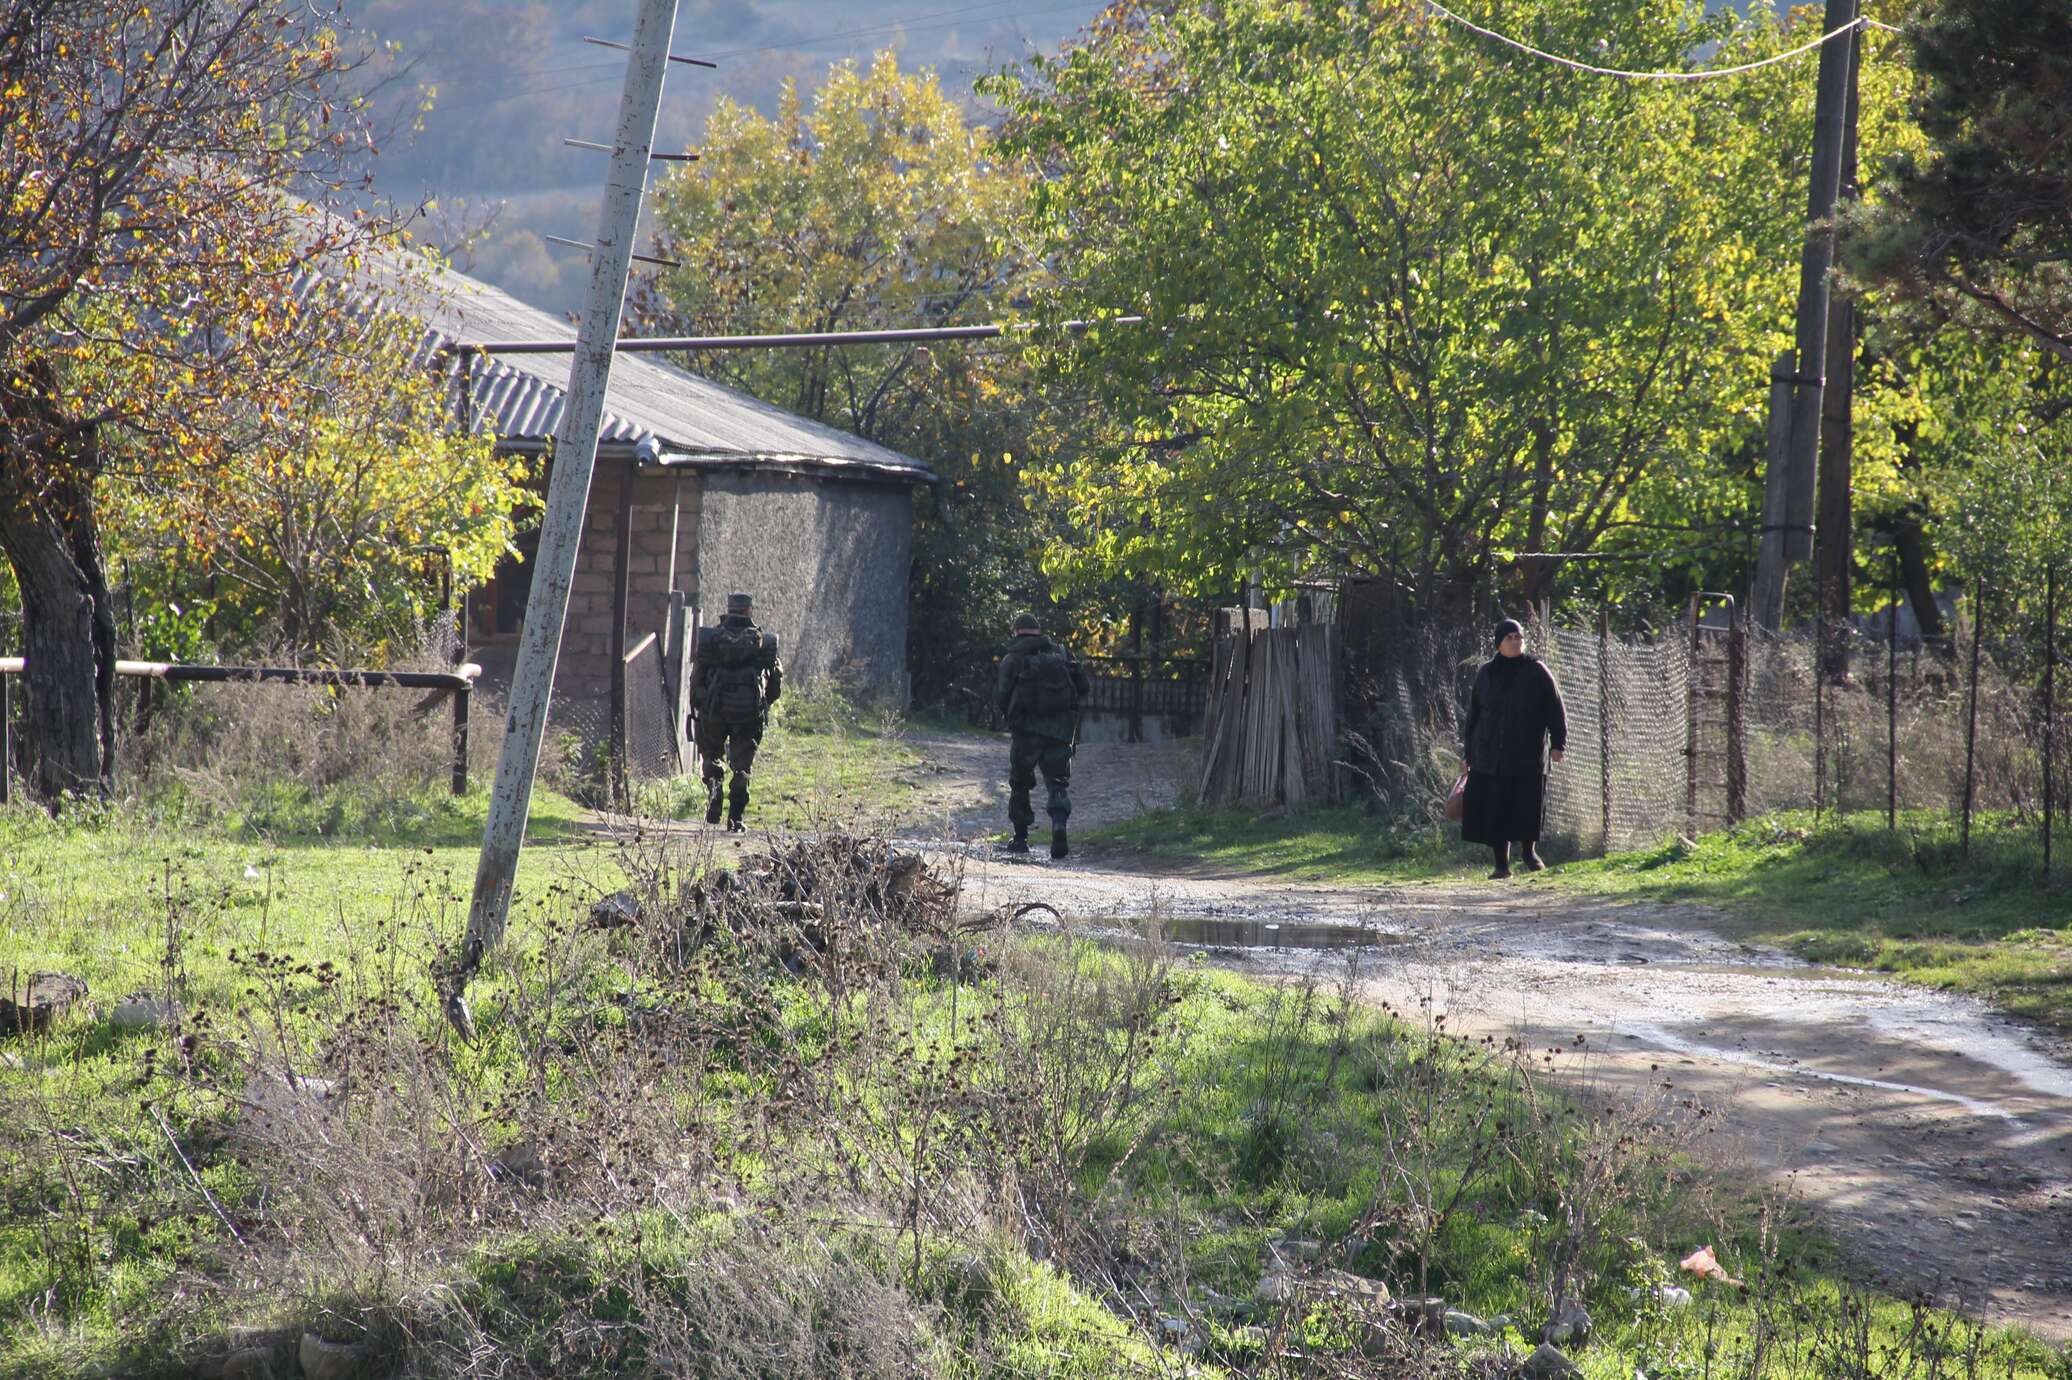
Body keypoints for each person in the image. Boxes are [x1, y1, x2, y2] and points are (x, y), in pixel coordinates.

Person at [1460, 617, 1566, 878]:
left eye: (1519, 636)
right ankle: (1501, 866)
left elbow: (1555, 707)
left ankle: (1530, 854)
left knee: (1528, 807)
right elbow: (1474, 715)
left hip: (1528, 756)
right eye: (1510, 637)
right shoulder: (1486, 673)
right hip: (1490, 756)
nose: (1516, 640)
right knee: (1496, 810)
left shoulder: (1537, 670)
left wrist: (1558, 743)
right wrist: (1468, 753)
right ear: (1499, 643)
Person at [995, 611, 1091, 858]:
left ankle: (1020, 838)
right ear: (1039, 631)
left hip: (1026, 732)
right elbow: (1084, 688)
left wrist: (1012, 717)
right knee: (1058, 782)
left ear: (1015, 631)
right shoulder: (1061, 653)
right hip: (1060, 732)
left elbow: (1002, 695)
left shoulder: (1012, 658)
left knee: (1020, 783)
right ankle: (1059, 827)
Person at [688, 591, 782, 831]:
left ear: (728, 610)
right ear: (749, 611)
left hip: (714, 710)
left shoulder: (710, 639)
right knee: (742, 767)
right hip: (748, 713)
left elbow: (696, 678)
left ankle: (714, 799)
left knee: (711, 757)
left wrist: (700, 704)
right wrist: (765, 703)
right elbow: (774, 686)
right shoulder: (764, 642)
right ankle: (736, 819)